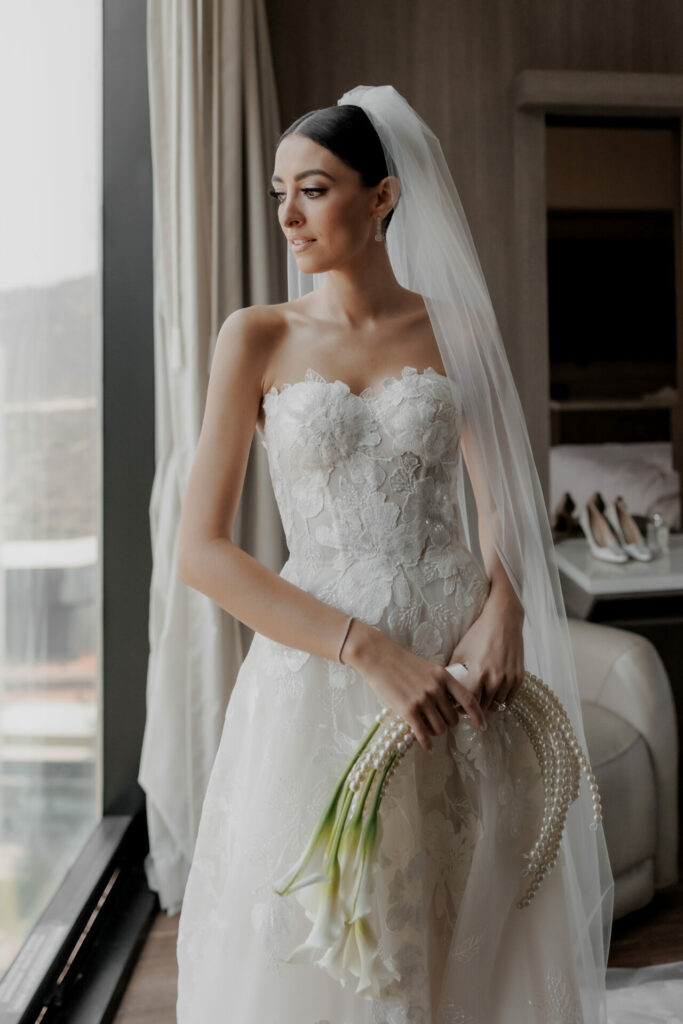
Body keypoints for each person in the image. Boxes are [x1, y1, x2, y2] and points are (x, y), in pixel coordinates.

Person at [174, 85, 615, 1022]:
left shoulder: (453, 326)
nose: (288, 215)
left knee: (464, 927)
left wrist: (507, 607)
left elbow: (504, 503)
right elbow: (202, 553)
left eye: (316, 188)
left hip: (461, 676)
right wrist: (366, 650)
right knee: (338, 941)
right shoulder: (254, 337)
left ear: (381, 197)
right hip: (326, 677)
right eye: (277, 192)